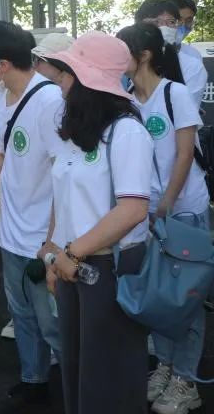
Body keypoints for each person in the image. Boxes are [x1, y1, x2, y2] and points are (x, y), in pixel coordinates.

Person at [43, 31, 153, 414]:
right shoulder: (78, 134)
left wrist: (72, 253)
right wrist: (54, 255)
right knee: (78, 368)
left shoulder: (127, 132)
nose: (60, 79)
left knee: (108, 375)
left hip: (109, 267)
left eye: (67, 71)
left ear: (87, 80)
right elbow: (63, 198)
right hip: (72, 263)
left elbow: (133, 209)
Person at [0, 22, 64, 413]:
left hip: (43, 236)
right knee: (22, 314)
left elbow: (65, 173)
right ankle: (33, 381)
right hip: (11, 232)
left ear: (3, 64)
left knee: (53, 323)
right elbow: (1, 151)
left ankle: (82, 388)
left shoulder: (51, 101)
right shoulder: (1, 97)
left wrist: (52, 240)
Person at [117, 23, 208, 414]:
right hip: (147, 215)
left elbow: (185, 154)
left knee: (185, 298)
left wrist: (166, 203)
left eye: (122, 51)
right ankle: (167, 368)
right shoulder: (125, 98)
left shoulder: (175, 94)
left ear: (144, 55)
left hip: (182, 211)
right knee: (158, 294)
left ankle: (187, 381)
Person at [135, 0, 205, 108]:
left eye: (171, 22)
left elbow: (185, 109)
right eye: (157, 22)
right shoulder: (129, 59)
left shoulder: (192, 63)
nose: (164, 27)